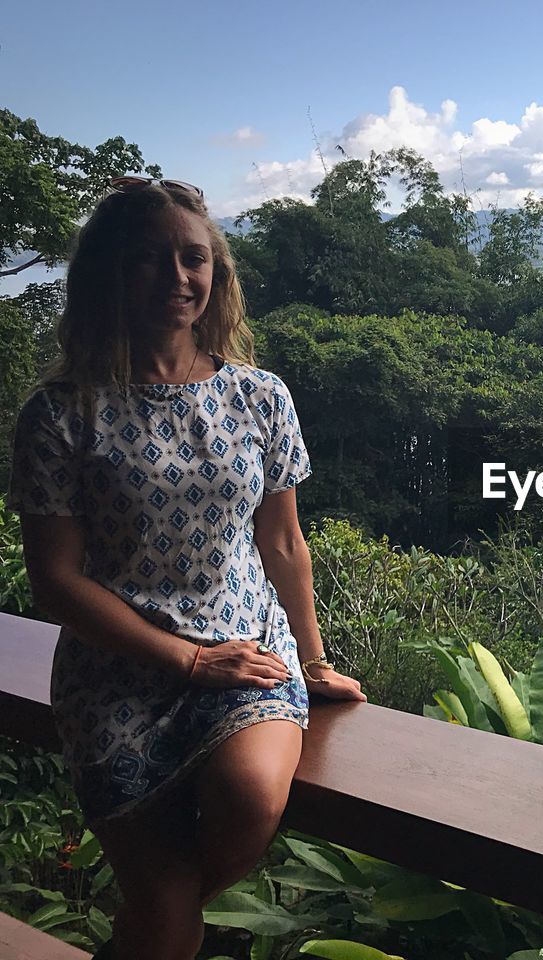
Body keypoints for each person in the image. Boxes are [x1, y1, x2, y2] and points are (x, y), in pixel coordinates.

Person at [8, 176, 367, 959]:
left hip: (246, 653)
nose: (179, 278)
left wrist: (311, 659)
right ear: (109, 273)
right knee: (167, 916)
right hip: (116, 674)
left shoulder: (260, 398)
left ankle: (148, 927)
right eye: (150, 259)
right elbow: (56, 579)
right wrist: (186, 660)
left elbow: (283, 545)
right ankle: (153, 926)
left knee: (246, 799)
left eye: (194, 258)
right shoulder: (61, 412)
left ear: (218, 273)